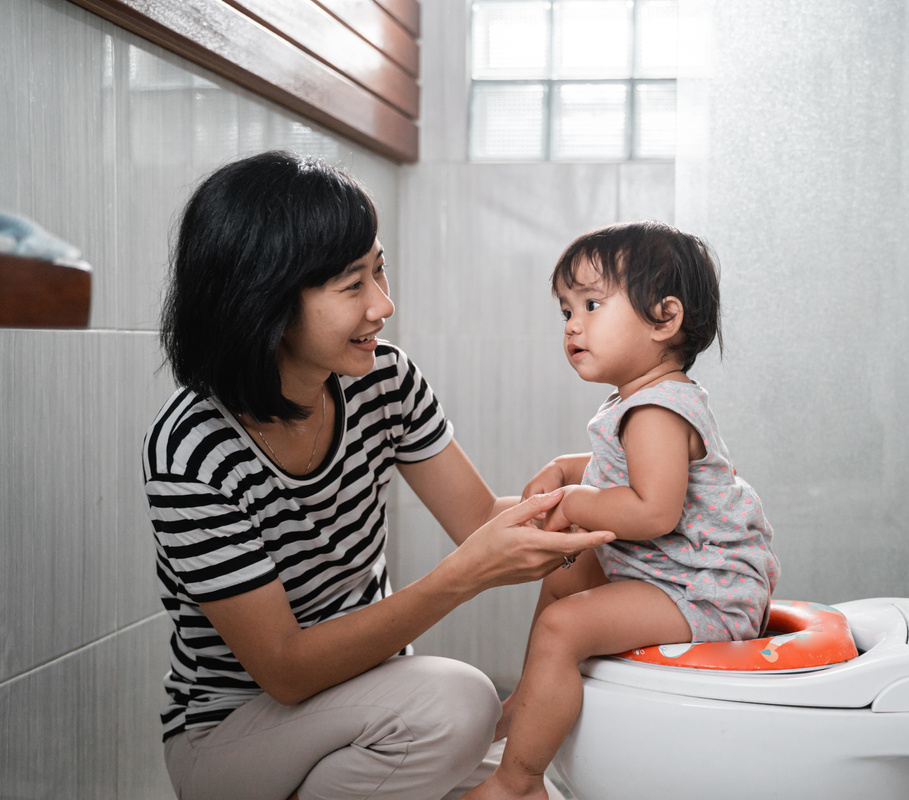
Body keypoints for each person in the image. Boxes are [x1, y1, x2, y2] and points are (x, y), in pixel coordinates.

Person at [142, 150, 614, 800]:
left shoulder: (384, 381)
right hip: (232, 736)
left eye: (380, 270)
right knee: (460, 703)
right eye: (353, 285)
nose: (383, 305)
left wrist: (614, 487)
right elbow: (284, 670)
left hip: (368, 706)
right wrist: (463, 576)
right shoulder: (194, 446)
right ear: (267, 300)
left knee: (541, 789)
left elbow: (480, 521)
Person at [464, 221, 780, 800]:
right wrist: (566, 468)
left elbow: (654, 510)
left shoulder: (657, 410)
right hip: (675, 574)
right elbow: (628, 468)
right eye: (565, 311)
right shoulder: (644, 401)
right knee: (563, 580)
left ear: (665, 318)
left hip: (705, 590)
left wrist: (578, 501)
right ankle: (528, 703)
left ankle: (518, 782)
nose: (572, 325)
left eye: (590, 304)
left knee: (564, 625)